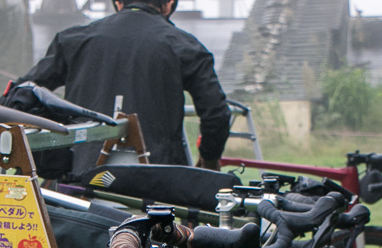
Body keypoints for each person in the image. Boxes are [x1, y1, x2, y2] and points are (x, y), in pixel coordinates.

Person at [17, 0, 230, 175]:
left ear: (118, 2)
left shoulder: (73, 40)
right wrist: (209, 158)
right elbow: (217, 114)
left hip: (80, 176)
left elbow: (23, 94)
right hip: (159, 181)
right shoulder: (186, 46)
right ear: (168, 5)